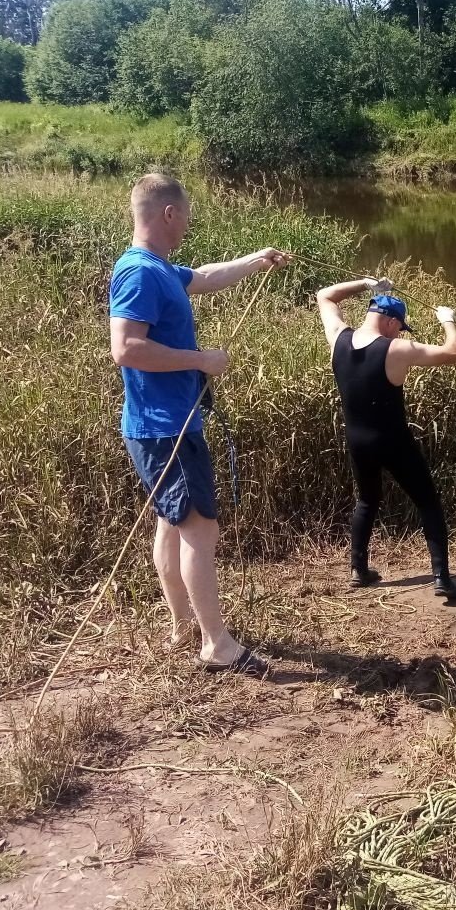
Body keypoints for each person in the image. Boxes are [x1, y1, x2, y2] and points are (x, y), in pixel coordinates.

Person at [109, 173, 288, 675]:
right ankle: (217, 644)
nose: (187, 224)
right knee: (199, 530)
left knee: (171, 524)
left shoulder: (158, 267)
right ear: (168, 213)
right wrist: (200, 360)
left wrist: (257, 260)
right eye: (185, 214)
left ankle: (182, 626)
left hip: (161, 425)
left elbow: (206, 275)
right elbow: (126, 347)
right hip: (166, 427)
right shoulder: (140, 273)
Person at [316, 277, 456, 599]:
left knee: (367, 500)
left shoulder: (338, 338)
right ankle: (443, 579)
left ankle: (359, 570)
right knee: (428, 503)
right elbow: (454, 353)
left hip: (357, 441)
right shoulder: (396, 349)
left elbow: (325, 296)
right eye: (399, 326)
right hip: (393, 441)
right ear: (390, 321)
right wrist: (448, 320)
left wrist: (366, 284)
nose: (400, 332)